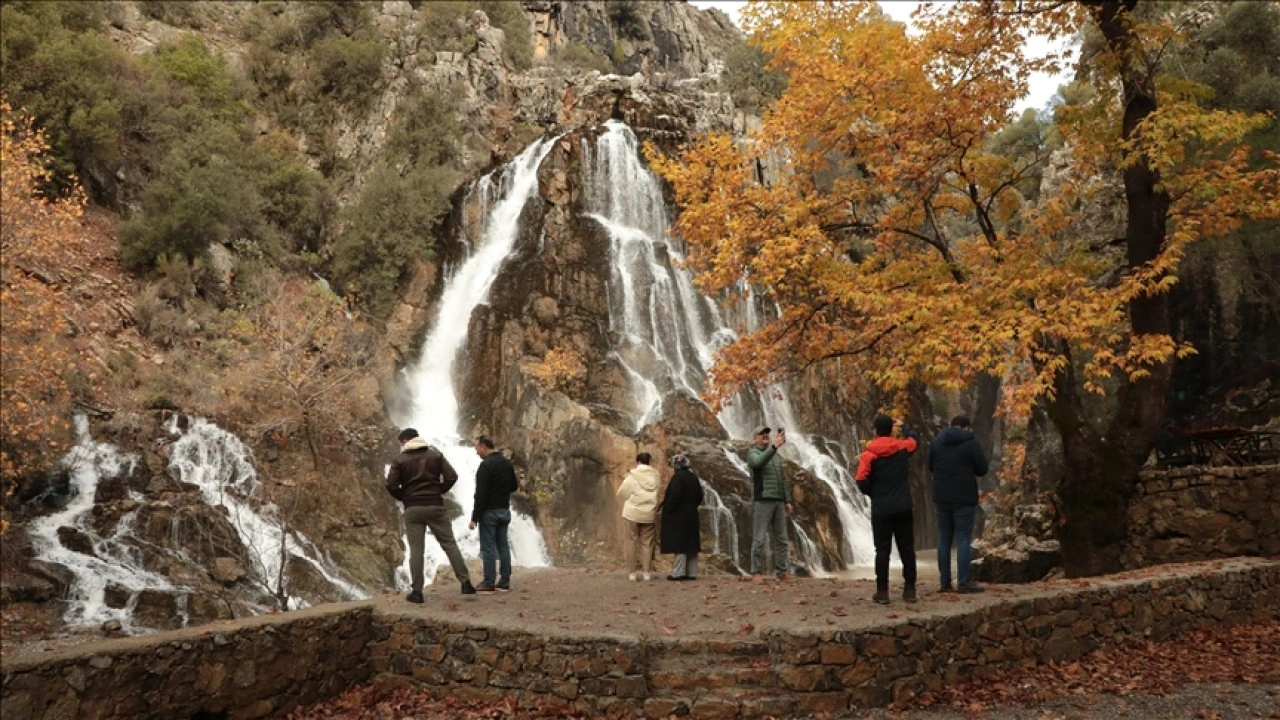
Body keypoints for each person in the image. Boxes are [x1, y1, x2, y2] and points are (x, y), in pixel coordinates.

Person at [385, 428, 476, 601]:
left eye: (401, 443)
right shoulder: (435, 455)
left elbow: (391, 485)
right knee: (450, 544)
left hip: (413, 509)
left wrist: (405, 497)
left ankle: (417, 592)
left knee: (417, 551)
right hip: (435, 505)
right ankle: (466, 583)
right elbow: (452, 476)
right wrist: (438, 491)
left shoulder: (399, 460)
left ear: (405, 441)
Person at [855, 415, 921, 604]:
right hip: (903, 506)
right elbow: (915, 440)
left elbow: (861, 480)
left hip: (881, 508)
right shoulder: (902, 447)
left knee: (882, 550)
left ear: (875, 431)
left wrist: (874, 493)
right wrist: (905, 426)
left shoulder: (868, 455)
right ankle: (910, 590)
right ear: (891, 430)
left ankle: (882, 592)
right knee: (907, 548)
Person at [929, 415, 990, 594]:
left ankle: (945, 583)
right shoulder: (970, 444)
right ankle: (964, 583)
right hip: (963, 497)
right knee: (963, 538)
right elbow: (982, 469)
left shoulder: (936, 443)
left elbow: (930, 467)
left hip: (941, 496)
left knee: (944, 538)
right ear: (966, 427)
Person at [468, 436, 518, 593]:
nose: (477, 452)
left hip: (489, 512)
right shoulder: (507, 463)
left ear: (484, 447)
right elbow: (514, 486)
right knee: (503, 546)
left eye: (477, 449)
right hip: (504, 510)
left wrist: (474, 518)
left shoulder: (486, 466)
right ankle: (504, 582)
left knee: (488, 548)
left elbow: (480, 494)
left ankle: (489, 582)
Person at [746, 426, 793, 579]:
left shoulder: (774, 456)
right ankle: (756, 572)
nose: (765, 435)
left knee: (782, 539)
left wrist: (787, 500)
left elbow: (781, 479)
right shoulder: (753, 453)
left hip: (778, 500)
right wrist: (774, 446)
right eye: (762, 434)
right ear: (755, 438)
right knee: (759, 538)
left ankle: (782, 571)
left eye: (767, 433)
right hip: (763, 499)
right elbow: (759, 462)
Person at [659, 453, 704, 580]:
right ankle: (692, 572)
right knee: (691, 543)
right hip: (692, 514)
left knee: (680, 543)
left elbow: (675, 496)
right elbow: (700, 496)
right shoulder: (693, 477)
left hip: (679, 515)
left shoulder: (678, 478)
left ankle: (678, 572)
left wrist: (668, 508)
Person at [617, 452, 660, 581]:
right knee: (647, 544)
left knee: (631, 542)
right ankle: (646, 572)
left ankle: (632, 572)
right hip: (649, 514)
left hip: (632, 513)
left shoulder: (633, 475)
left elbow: (622, 492)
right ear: (649, 462)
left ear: (638, 462)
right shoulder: (656, 476)